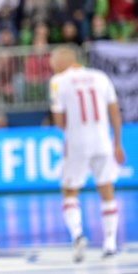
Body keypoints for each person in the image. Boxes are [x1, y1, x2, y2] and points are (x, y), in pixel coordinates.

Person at [49, 46, 125, 262]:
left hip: (77, 143)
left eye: (53, 64)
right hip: (103, 141)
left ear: (62, 62)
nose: (52, 68)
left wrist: (70, 135)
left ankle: (77, 234)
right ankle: (109, 243)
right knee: (107, 191)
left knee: (69, 191)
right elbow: (115, 113)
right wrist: (117, 144)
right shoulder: (100, 77)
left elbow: (59, 122)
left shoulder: (59, 82)